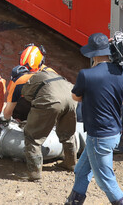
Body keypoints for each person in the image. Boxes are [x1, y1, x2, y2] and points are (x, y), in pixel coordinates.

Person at [65, 33, 123, 205]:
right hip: (114, 132)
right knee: (81, 170)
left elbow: (75, 97)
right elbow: (122, 100)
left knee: (105, 181)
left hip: (99, 137)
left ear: (92, 54)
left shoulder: (86, 75)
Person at [20, 45, 77, 181]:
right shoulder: (53, 73)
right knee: (68, 134)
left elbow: (27, 96)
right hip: (72, 98)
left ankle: (35, 174)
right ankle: (71, 164)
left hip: (52, 102)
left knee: (33, 138)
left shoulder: (32, 78)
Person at [2, 44, 46, 122]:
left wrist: (6, 118)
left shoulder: (19, 80)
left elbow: (7, 112)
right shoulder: (51, 73)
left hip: (31, 110)